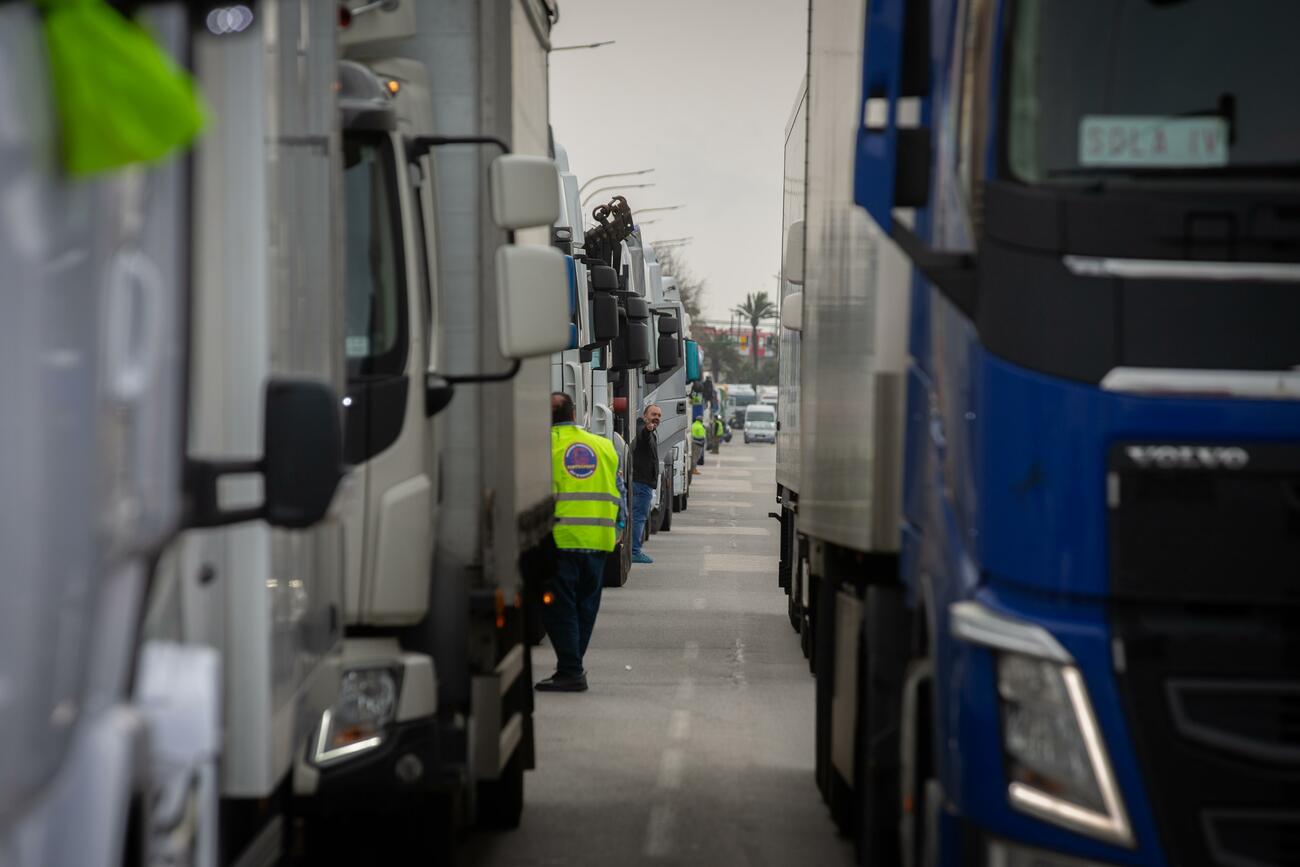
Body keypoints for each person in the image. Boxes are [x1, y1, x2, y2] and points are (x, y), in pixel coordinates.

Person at [538, 392, 624, 692]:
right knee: (585, 608)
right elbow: (617, 491)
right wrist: (620, 526)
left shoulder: (540, 447)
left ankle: (571, 670)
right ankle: (571, 667)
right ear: (574, 415)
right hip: (599, 541)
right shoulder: (604, 446)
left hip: (560, 541)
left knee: (559, 609)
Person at [630, 404, 661, 564]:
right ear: (645, 415)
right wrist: (648, 429)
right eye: (653, 414)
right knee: (639, 518)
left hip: (644, 484)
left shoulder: (652, 431)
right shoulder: (643, 428)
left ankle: (634, 550)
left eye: (659, 415)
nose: (656, 417)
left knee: (638, 517)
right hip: (641, 484)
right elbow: (643, 435)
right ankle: (634, 551)